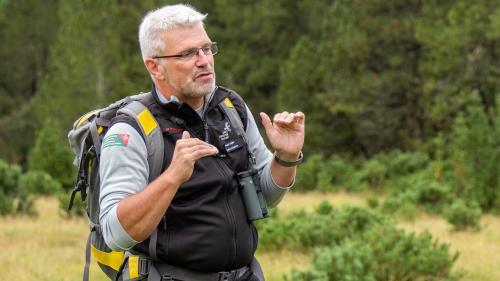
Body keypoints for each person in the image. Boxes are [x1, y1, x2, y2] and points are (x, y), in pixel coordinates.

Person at [99, 3, 305, 281]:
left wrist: (286, 157)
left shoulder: (230, 107)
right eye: (187, 53)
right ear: (155, 67)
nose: (204, 61)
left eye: (206, 49)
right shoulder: (131, 130)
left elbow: (265, 195)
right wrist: (172, 177)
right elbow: (114, 233)